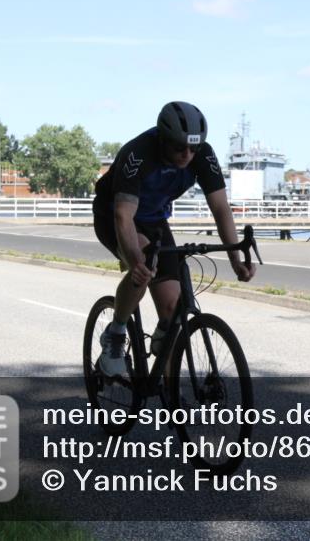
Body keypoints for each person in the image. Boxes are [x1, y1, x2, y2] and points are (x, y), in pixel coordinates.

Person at [92, 102, 256, 378]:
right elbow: (123, 217)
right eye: (180, 148)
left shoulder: (202, 155)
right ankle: (116, 334)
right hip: (115, 214)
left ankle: (170, 391)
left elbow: (220, 208)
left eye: (193, 148)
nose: (187, 155)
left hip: (154, 218)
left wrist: (235, 259)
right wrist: (135, 263)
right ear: (163, 139)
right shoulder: (138, 154)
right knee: (143, 266)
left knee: (171, 307)